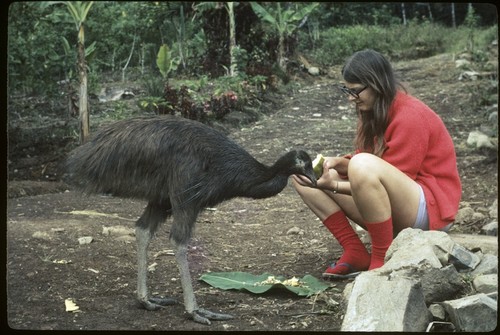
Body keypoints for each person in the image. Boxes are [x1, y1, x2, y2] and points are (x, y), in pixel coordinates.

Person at [292, 49, 462, 279]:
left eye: (355, 91)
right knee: (302, 177)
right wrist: (338, 164)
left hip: (427, 212)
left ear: (377, 84)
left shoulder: (410, 116)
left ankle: (381, 259)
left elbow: (383, 179)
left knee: (360, 165)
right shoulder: (374, 110)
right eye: (347, 90)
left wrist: (334, 185)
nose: (350, 98)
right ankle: (355, 251)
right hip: (395, 205)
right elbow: (370, 161)